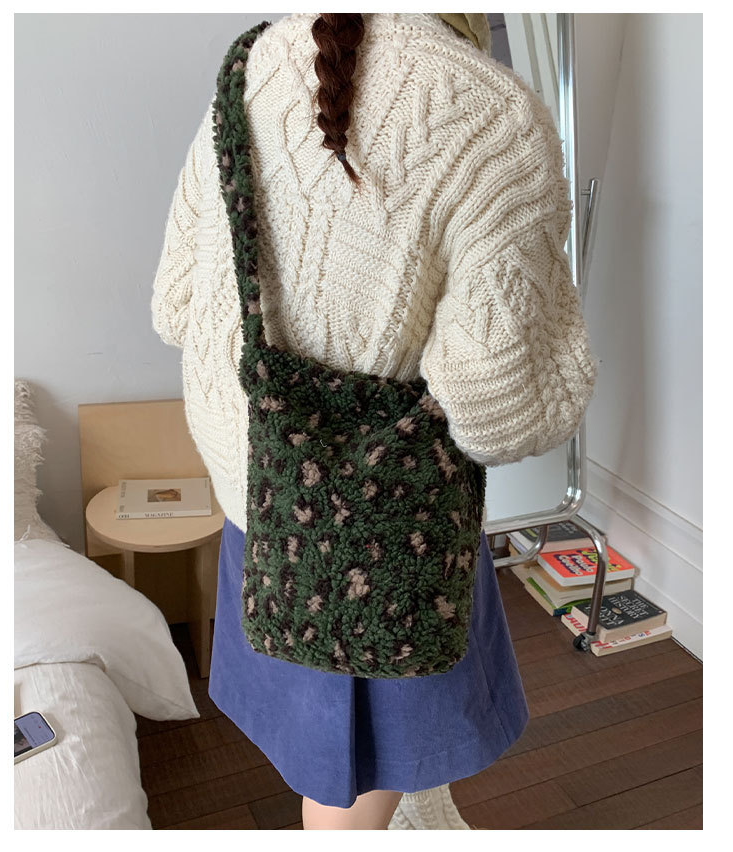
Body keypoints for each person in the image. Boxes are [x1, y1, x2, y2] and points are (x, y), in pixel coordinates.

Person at [151, 12, 598, 830]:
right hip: (384, 523)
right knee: (347, 782)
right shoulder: (491, 116)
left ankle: (414, 805)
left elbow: (176, 302)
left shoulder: (251, 62)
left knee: (348, 747)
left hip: (255, 487)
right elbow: (499, 409)